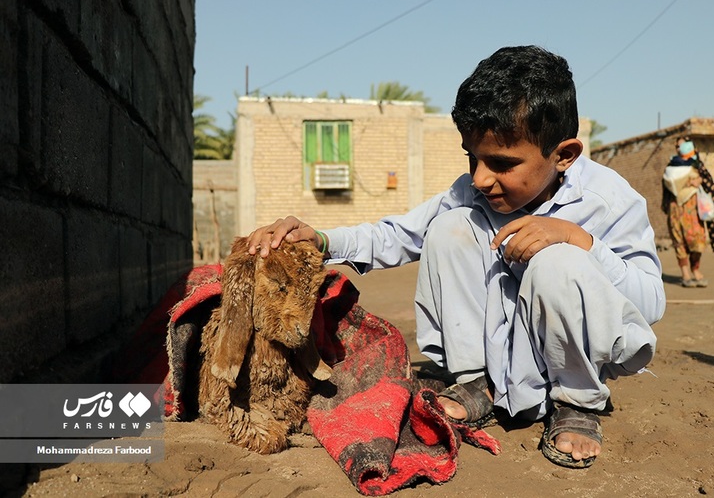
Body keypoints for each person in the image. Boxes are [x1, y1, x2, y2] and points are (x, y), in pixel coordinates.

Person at [247, 45, 666, 469]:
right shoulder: (468, 191)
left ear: (563, 155)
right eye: (472, 158)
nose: (481, 178)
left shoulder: (608, 201)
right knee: (447, 228)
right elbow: (399, 235)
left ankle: (576, 402)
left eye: (502, 163)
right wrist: (320, 240)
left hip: (572, 358)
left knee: (559, 261)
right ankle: (478, 383)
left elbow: (650, 301)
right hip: (500, 350)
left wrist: (580, 242)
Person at [661, 136, 714, 287]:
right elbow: (666, 187)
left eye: (682, 145)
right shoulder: (671, 165)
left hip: (693, 209)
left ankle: (695, 269)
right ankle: (685, 274)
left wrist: (698, 181)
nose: (680, 148)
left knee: (697, 240)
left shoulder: (696, 164)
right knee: (679, 241)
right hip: (676, 209)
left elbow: (708, 182)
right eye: (677, 146)